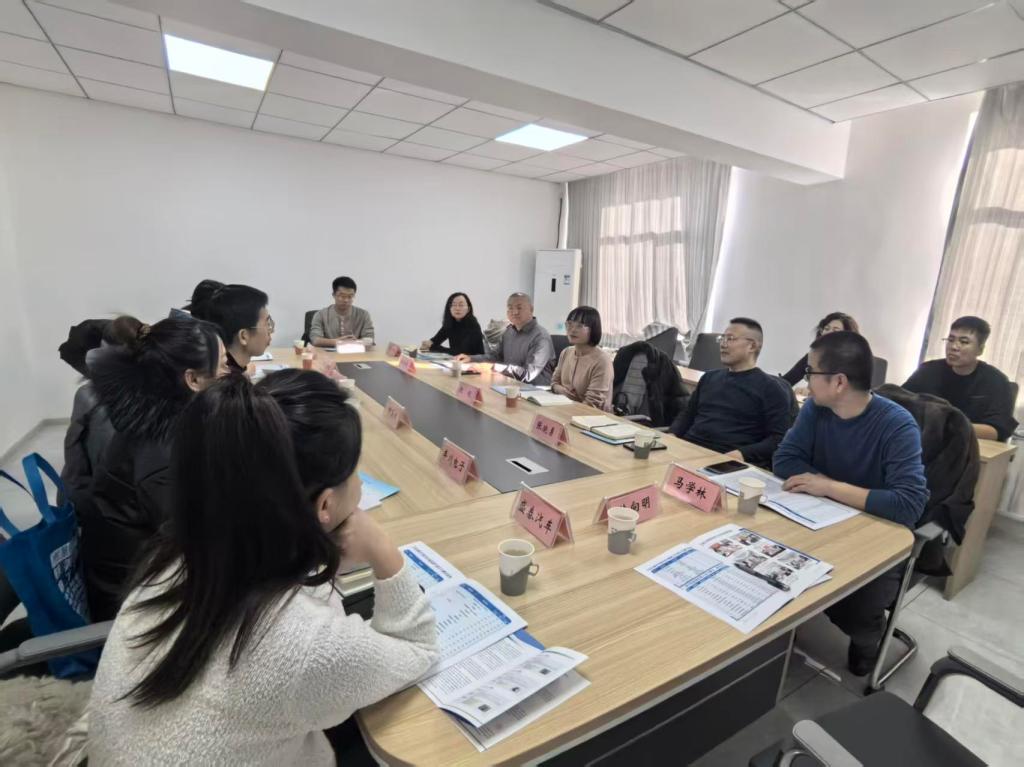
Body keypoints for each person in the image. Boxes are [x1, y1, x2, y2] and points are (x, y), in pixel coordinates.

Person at [87, 371, 438, 764]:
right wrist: (382, 549)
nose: (359, 482)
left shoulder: (181, 554)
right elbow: (418, 650)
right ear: (324, 505)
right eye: (355, 471)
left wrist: (316, 549)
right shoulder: (307, 645)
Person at [774, 331, 928, 675]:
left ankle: (868, 641)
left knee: (855, 605)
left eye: (811, 372)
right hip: (820, 517)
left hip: (878, 532)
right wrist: (827, 490)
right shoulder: (816, 409)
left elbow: (908, 504)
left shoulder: (897, 425)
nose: (806, 381)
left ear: (839, 382)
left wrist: (829, 487)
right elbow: (784, 459)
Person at [76, 315, 228, 621]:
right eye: (224, 364)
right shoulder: (163, 458)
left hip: (155, 576)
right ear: (193, 380)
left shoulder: (164, 419)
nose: (232, 373)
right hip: (137, 607)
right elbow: (202, 548)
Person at [669, 318, 792, 467]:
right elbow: (688, 414)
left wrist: (742, 454)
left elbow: (778, 438)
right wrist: (671, 435)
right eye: (722, 338)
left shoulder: (771, 388)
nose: (723, 344)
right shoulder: (709, 378)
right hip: (688, 451)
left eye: (730, 339)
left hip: (727, 461)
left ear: (752, 346)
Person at [903, 316, 1018, 441]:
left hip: (968, 446)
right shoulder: (928, 370)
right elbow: (899, 402)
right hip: (923, 441)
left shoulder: (996, 381)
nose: (953, 347)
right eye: (950, 340)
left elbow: (996, 431)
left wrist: (948, 426)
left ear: (980, 349)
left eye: (964, 342)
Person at [456, 292, 555, 385]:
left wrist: (493, 367)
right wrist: (471, 358)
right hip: (509, 384)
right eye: (510, 308)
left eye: (519, 308)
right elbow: (496, 357)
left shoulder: (541, 337)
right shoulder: (509, 332)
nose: (514, 312)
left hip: (534, 390)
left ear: (531, 309)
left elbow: (528, 374)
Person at [550, 306, 614, 411]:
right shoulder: (566, 352)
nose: (572, 330)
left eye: (579, 326)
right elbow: (554, 383)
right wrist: (564, 392)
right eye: (569, 324)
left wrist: (568, 398)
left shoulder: (602, 360)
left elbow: (591, 404)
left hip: (590, 416)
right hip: (564, 409)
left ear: (593, 329)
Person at [205, 284, 274, 373]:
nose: (271, 330)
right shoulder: (229, 379)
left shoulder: (220, 367)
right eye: (267, 324)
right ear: (243, 336)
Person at [781, 312, 860, 387]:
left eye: (836, 330)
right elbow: (784, 383)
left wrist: (812, 392)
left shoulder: (855, 361)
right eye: (827, 329)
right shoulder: (812, 357)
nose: (828, 333)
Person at [310, 276, 375, 348]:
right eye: (342, 296)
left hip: (355, 353)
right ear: (334, 295)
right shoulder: (321, 315)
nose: (346, 300)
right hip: (328, 353)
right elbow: (315, 340)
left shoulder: (363, 315)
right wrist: (337, 342)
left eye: (350, 296)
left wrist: (356, 342)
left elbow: (370, 339)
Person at [420, 292, 484, 356]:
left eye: (461, 305)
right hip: (457, 360)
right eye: (454, 305)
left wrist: (433, 347)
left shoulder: (472, 324)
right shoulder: (450, 323)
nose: (457, 308)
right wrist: (427, 344)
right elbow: (435, 340)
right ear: (449, 308)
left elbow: (462, 352)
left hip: (475, 360)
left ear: (468, 309)